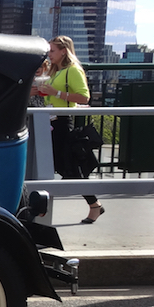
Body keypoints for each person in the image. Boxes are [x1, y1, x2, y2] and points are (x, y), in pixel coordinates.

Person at [34, 35, 103, 224]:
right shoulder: (58, 71)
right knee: (60, 166)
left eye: (53, 51)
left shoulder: (72, 70)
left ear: (64, 51)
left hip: (62, 122)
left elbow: (84, 97)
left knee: (67, 167)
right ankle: (93, 205)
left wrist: (55, 93)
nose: (49, 54)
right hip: (52, 121)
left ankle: (94, 205)